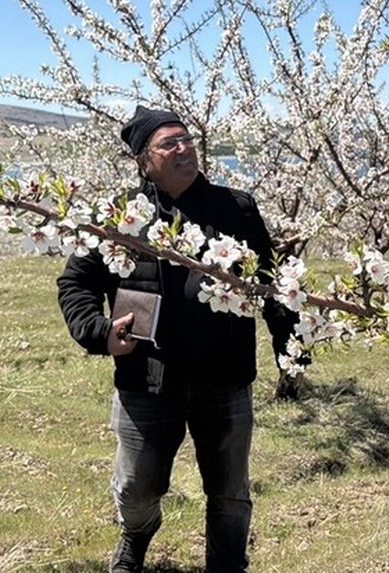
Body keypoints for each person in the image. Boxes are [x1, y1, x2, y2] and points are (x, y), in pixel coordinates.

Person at [56, 106, 301, 573]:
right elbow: (75, 284)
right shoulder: (120, 217)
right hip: (147, 379)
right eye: (169, 143)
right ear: (142, 160)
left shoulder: (236, 208)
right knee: (136, 488)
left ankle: (227, 566)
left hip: (224, 377)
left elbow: (272, 283)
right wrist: (98, 332)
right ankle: (137, 535)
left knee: (229, 490)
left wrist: (291, 351)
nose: (184, 148)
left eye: (187, 139)